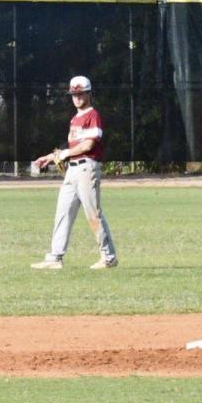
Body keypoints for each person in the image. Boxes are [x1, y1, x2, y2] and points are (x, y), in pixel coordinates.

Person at [30, 75, 118, 270]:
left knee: (93, 214)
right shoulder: (75, 119)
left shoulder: (92, 115)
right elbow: (70, 146)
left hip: (87, 168)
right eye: (74, 94)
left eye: (81, 94)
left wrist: (66, 154)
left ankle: (108, 257)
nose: (77, 97)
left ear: (89, 94)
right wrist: (50, 157)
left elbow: (88, 144)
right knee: (63, 213)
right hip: (72, 170)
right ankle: (55, 258)